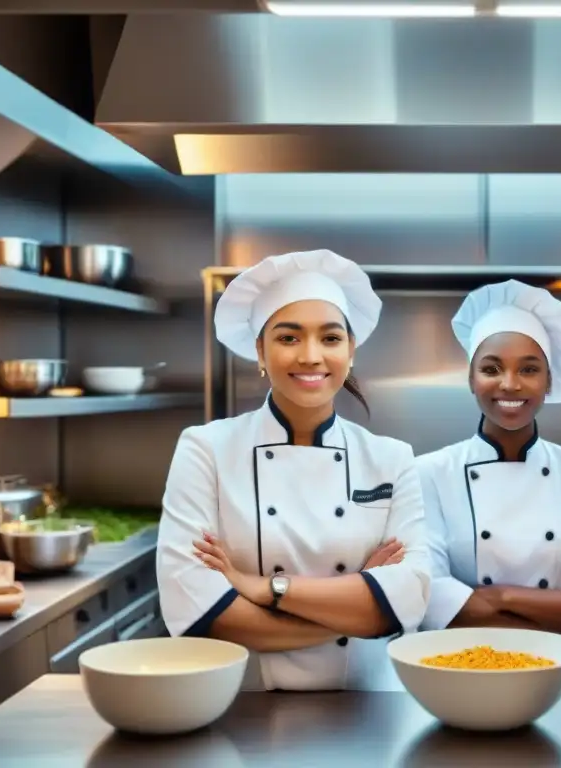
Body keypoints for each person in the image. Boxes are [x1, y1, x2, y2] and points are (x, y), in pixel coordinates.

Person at [156, 248, 430, 692]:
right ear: (259, 351)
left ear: (351, 349)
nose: (310, 356)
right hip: (244, 700)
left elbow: (412, 597)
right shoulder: (205, 449)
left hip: (368, 702)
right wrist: (362, 605)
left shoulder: (392, 459)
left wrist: (263, 588)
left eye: (330, 337)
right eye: (288, 338)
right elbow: (196, 609)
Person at [417, 280, 561, 677]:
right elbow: (429, 600)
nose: (510, 383)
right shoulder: (427, 475)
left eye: (529, 369)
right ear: (471, 379)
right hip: (461, 672)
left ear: (548, 381)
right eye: (491, 368)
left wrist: (495, 596)